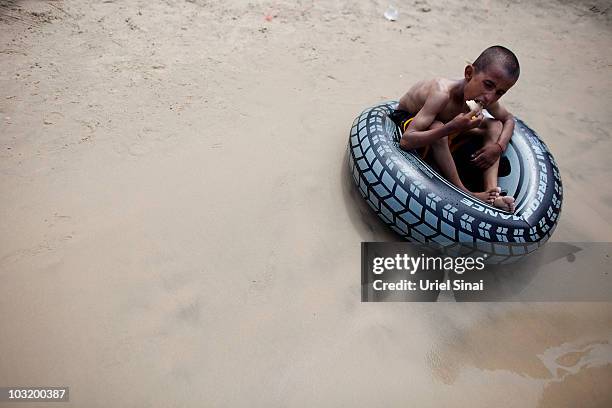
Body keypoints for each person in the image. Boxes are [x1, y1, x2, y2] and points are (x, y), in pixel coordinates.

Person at [391, 45, 519, 212]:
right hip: (411, 120)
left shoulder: (487, 97)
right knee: (438, 126)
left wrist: (498, 147)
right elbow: (406, 141)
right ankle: (465, 192)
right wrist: (451, 128)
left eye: (500, 92)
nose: (490, 97)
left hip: (449, 127)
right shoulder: (442, 93)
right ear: (469, 73)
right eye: (488, 85)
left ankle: (492, 193)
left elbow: (508, 119)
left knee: (495, 125)